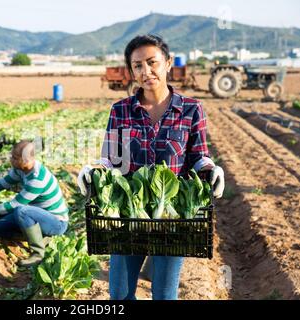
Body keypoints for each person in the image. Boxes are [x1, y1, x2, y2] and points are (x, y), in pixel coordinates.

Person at [77, 34, 225, 300]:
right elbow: (110, 158)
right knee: (120, 295)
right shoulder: (121, 110)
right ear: (131, 70)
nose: (146, 71)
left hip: (171, 219)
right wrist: (93, 170)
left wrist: (211, 168)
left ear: (168, 63)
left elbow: (198, 156)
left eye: (152, 62)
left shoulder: (191, 109)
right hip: (127, 215)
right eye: (137, 66)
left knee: (164, 295)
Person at [0, 140, 69, 267]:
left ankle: (38, 253)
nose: (11, 160)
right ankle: (37, 234)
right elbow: (1, 184)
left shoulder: (37, 179)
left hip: (56, 222)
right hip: (35, 214)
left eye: (15, 158)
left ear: (25, 160)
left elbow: (13, 205)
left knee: (21, 211)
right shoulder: (20, 169)